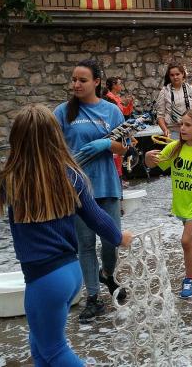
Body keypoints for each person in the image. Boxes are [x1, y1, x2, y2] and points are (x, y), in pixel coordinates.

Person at [0, 104, 133, 366]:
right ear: (56, 137)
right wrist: (118, 236)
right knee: (40, 347)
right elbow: (97, 218)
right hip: (69, 273)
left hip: (46, 279)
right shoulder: (70, 175)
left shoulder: (13, 179)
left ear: (17, 141)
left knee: (54, 350)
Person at [53, 58, 128, 323]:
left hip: (107, 185)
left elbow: (124, 146)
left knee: (111, 242)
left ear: (96, 82)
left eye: (82, 80)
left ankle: (108, 274)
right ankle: (93, 299)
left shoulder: (112, 111)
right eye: (74, 79)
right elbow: (53, 148)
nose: (76, 84)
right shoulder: (62, 113)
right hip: (77, 187)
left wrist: (105, 145)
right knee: (85, 245)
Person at [144, 109, 192, 298]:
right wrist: (147, 159)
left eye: (188, 125)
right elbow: (155, 165)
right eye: (181, 124)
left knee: (186, 241)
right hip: (181, 203)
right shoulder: (175, 147)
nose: (182, 128)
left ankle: (189, 278)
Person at [155, 62, 192, 140]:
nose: (175, 77)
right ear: (169, 76)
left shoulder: (191, 89)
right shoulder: (164, 92)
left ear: (183, 74)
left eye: (177, 74)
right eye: (172, 75)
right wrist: (165, 130)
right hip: (173, 131)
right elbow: (160, 115)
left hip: (191, 131)